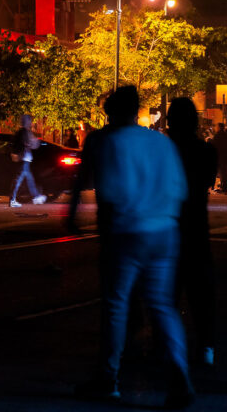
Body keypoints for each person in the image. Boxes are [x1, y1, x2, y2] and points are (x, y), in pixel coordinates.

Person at [67, 86, 192, 408]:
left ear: (110, 112)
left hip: (125, 231)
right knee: (162, 305)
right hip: (164, 230)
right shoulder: (160, 142)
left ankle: (108, 378)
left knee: (116, 306)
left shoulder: (102, 140)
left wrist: (75, 220)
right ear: (136, 111)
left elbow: (88, 185)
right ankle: (180, 377)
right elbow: (180, 189)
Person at [168, 98, 218, 367]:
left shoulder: (163, 152)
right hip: (197, 229)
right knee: (201, 296)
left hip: (169, 230)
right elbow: (208, 181)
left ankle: (170, 349)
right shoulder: (206, 151)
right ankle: (206, 347)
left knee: (169, 296)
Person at [10, 114, 47, 207]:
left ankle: (36, 197)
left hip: (25, 159)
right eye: (29, 121)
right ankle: (13, 200)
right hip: (24, 158)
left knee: (28, 179)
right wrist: (36, 141)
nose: (31, 123)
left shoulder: (22, 131)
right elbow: (30, 144)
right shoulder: (24, 132)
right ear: (27, 121)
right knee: (18, 180)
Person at [209, 123, 227, 193]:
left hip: (219, 156)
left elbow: (214, 146)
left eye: (216, 126)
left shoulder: (217, 136)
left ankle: (223, 187)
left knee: (221, 172)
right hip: (226, 156)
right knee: (224, 172)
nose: (215, 128)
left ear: (219, 127)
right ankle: (224, 186)